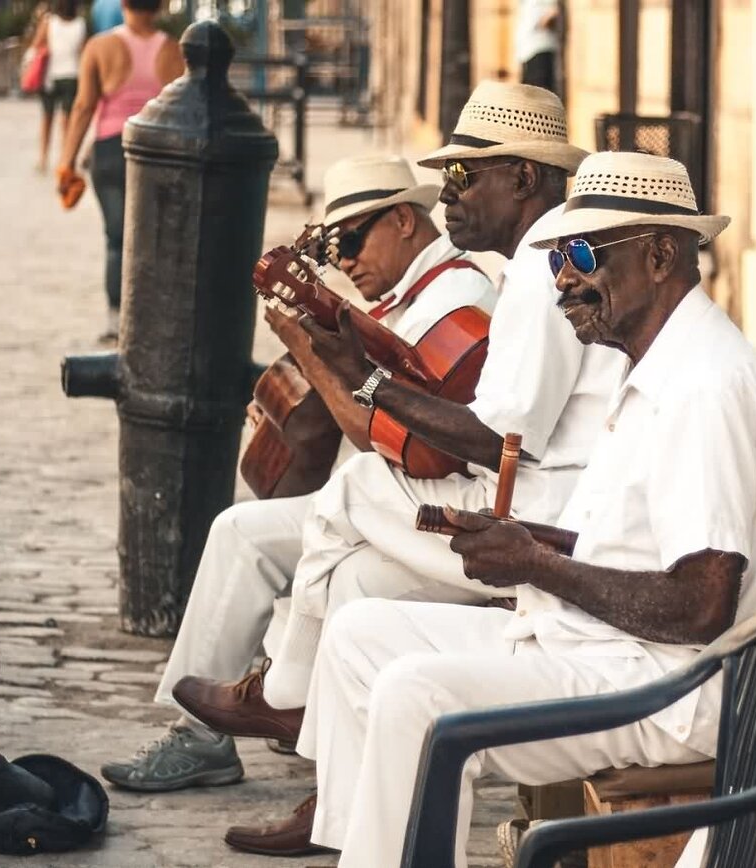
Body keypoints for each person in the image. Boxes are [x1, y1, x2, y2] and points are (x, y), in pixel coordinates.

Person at [239, 150, 756, 866]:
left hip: (678, 686)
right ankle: (366, 847)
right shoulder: (657, 362)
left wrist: (535, 564)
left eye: (580, 253)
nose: (564, 278)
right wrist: (524, 544)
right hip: (615, 649)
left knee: (419, 692)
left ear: (661, 255)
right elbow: (639, 550)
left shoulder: (703, 387)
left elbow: (701, 606)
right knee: (359, 634)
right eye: (554, 259)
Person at [194, 81, 629, 858]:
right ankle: (343, 817)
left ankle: (286, 692)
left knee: (357, 489)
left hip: (553, 517)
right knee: (357, 586)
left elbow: (499, 436)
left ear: (524, 178)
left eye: (466, 179)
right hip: (543, 491)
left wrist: (366, 380)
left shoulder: (545, 265)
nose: (449, 200)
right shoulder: (542, 256)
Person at [98, 156, 499, 793]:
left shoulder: (456, 299)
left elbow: (392, 443)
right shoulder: (408, 298)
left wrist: (314, 357)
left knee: (262, 537)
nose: (343, 262)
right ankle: (219, 725)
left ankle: (274, 708)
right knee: (242, 531)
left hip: (434, 503)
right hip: (398, 495)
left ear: (402, 219)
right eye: (332, 249)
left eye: (351, 241)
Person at [55, 0, 183, 343]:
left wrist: (66, 162)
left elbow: (83, 106)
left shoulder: (100, 47)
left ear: (123, 3)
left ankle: (116, 320)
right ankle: (153, 316)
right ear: (159, 7)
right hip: (158, 152)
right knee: (156, 238)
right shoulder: (173, 50)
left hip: (111, 149)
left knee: (117, 238)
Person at [31, 0, 85, 173]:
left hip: (50, 76)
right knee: (67, 121)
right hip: (72, 75)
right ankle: (65, 158)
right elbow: (82, 51)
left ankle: (43, 158)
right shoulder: (80, 24)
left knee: (47, 119)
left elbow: (36, 44)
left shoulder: (49, 22)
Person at [516, 0, 560, 92]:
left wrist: (543, 23)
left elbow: (553, 11)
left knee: (540, 90)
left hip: (540, 46)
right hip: (526, 49)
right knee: (528, 89)